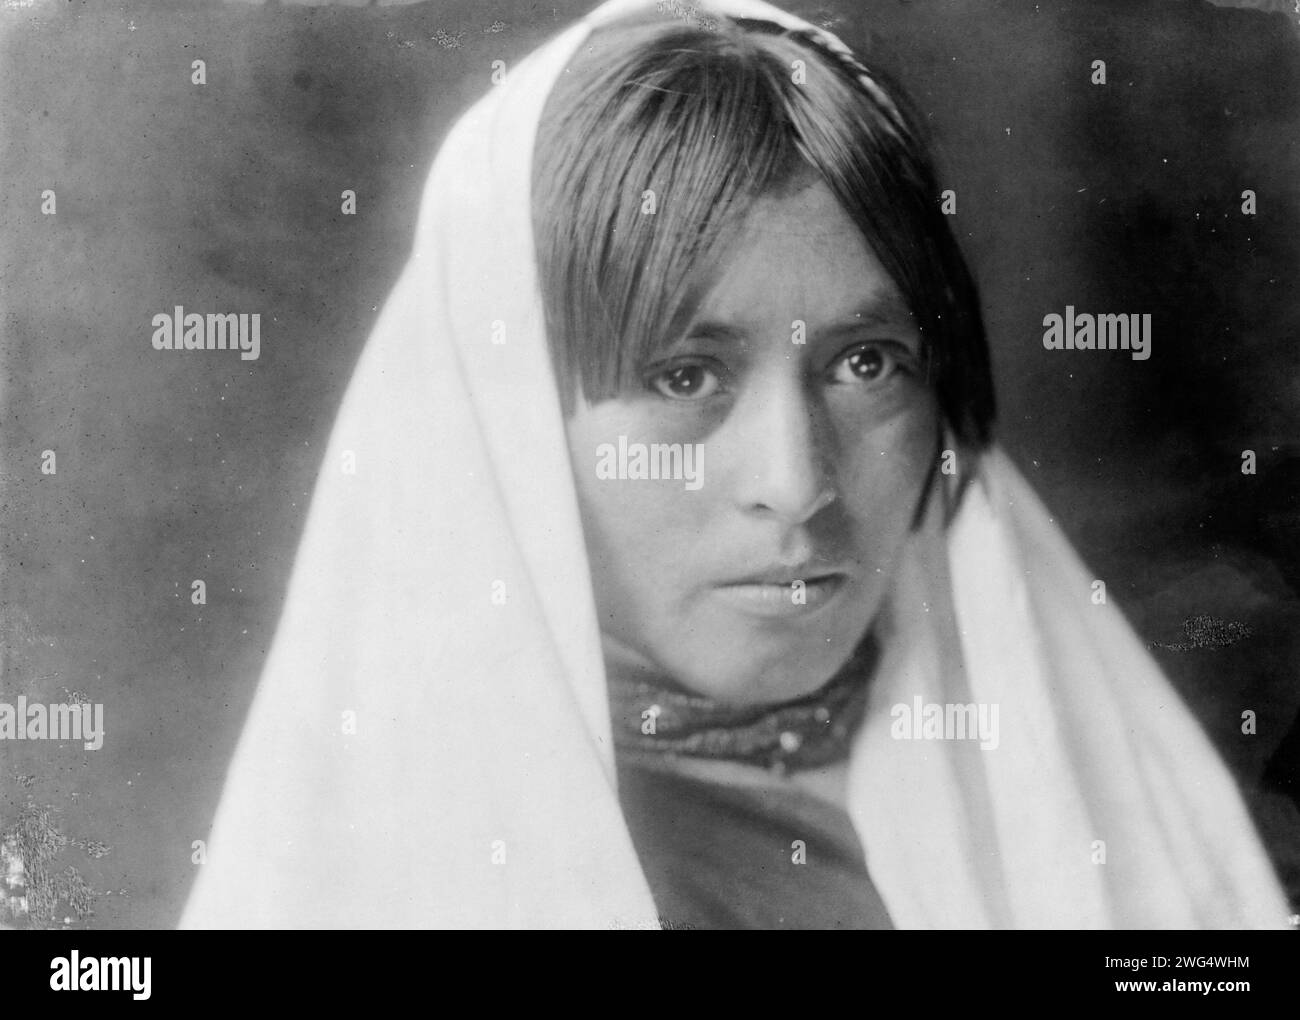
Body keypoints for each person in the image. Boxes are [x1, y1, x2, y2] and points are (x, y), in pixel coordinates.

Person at [181, 0, 1290, 929]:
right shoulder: (401, 879)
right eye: (682, 377)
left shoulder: (1059, 776)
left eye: (867, 362)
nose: (796, 484)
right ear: (503, 431)